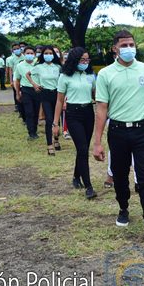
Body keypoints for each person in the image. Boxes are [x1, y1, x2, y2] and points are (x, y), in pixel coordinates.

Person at [92, 29, 144, 244]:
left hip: (142, 130)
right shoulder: (106, 74)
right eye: (124, 45)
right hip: (118, 130)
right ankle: (123, 207)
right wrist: (97, 142)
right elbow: (102, 108)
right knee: (120, 175)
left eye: (131, 44)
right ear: (115, 48)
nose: (129, 49)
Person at [52, 47, 97, 199]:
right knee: (82, 148)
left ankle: (76, 176)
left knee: (83, 149)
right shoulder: (65, 76)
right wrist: (55, 123)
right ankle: (89, 186)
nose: (85, 62)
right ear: (74, 60)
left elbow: (96, 94)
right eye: (82, 60)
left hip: (88, 112)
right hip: (73, 114)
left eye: (87, 59)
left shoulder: (90, 75)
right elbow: (59, 101)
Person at [27, 45, 62, 155]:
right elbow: (28, 74)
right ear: (42, 55)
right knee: (49, 119)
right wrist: (34, 85)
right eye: (46, 53)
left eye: (50, 53)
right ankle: (49, 145)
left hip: (57, 94)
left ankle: (56, 139)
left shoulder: (58, 67)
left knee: (57, 119)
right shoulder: (39, 67)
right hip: (45, 94)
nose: (48, 55)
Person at [14, 46, 40, 139]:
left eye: (31, 53)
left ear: (35, 54)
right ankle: (31, 132)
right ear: (24, 54)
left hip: (37, 90)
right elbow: (17, 80)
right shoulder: (20, 66)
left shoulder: (38, 64)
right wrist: (17, 93)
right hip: (26, 90)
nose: (30, 55)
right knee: (29, 112)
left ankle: (35, 130)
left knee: (36, 112)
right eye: (27, 53)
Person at [6, 43, 25, 119]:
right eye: (14, 49)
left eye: (18, 48)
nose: (16, 50)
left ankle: (24, 109)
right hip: (16, 78)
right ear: (12, 50)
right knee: (17, 93)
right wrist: (11, 81)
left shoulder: (24, 56)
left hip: (24, 77)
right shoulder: (11, 59)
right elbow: (10, 70)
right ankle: (19, 109)